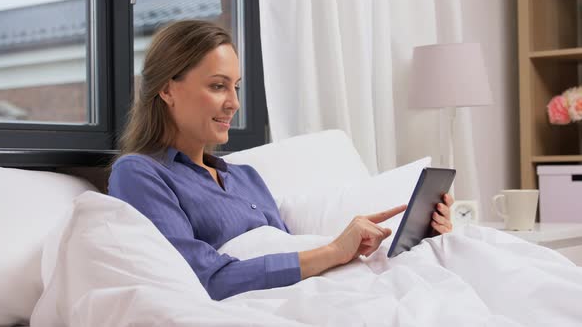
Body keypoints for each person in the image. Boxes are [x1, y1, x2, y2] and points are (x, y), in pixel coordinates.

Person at [108, 20, 455, 301]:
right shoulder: (140, 173)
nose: (234, 103)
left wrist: (422, 237)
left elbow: (288, 254)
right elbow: (202, 279)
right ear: (167, 90)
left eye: (236, 87)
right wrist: (334, 250)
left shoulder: (246, 177)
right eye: (218, 86)